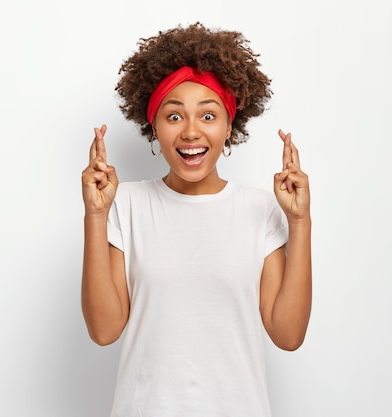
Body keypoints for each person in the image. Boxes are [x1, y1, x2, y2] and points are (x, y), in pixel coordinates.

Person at [81, 22, 312, 417]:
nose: (191, 132)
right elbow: (104, 331)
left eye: (208, 116)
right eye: (174, 117)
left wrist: (300, 223)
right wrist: (96, 214)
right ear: (153, 126)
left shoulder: (259, 209)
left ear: (228, 128)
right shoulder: (127, 203)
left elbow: (288, 335)